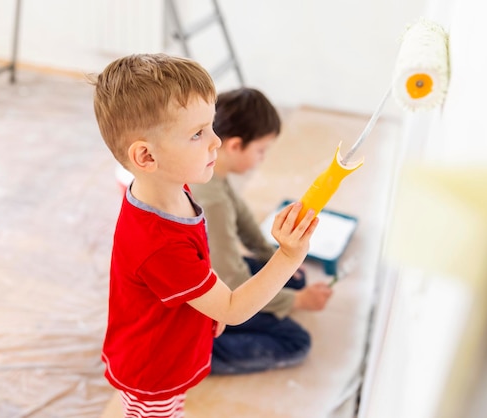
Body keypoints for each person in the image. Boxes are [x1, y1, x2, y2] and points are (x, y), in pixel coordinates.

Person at [91, 53, 318, 418]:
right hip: (154, 373)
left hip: (167, 348)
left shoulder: (170, 188)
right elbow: (234, 307)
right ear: (146, 157)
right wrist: (288, 256)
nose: (216, 142)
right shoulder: (160, 242)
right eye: (198, 133)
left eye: (210, 126)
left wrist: (212, 302)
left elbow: (199, 264)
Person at [189, 88, 333, 375]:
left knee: (290, 278)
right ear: (235, 146)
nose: (262, 158)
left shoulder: (215, 174)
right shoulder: (212, 198)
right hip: (204, 297)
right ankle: (199, 352)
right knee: (296, 342)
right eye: (260, 150)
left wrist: (274, 258)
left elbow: (243, 223)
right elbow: (231, 281)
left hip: (214, 273)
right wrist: (299, 301)